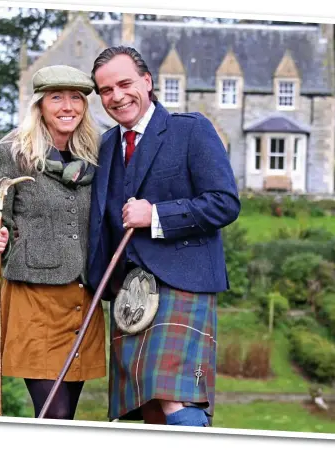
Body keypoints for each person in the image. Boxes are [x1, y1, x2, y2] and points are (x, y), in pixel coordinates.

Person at [87, 46, 241, 427]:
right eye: (106, 90)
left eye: (125, 84)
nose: (117, 96)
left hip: (183, 283)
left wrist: (155, 215)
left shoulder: (190, 130)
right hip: (129, 294)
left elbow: (224, 203)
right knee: (147, 408)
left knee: (177, 398)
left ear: (147, 82)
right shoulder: (104, 146)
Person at [0, 65, 106, 420]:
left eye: (76, 98)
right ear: (40, 105)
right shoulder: (11, 152)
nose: (68, 106)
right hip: (34, 299)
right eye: (56, 97)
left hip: (83, 299)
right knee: (54, 415)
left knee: (67, 418)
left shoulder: (95, 156)